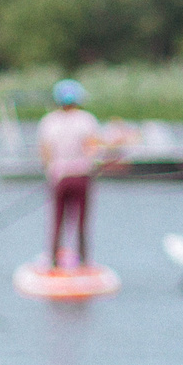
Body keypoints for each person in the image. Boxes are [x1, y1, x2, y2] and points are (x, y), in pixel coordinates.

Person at [37, 79, 106, 272]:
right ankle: (84, 261)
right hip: (82, 177)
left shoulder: (49, 121)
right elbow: (93, 148)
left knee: (57, 219)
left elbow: (45, 154)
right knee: (82, 221)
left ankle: (53, 260)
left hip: (59, 178)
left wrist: (51, 172)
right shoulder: (86, 119)